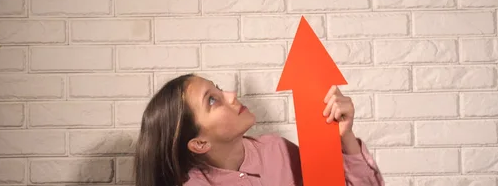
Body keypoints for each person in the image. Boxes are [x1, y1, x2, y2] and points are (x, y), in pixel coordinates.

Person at [134, 73, 384, 186]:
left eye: (219, 88)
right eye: (212, 99)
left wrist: (345, 139)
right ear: (200, 143)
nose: (231, 95)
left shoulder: (278, 150)